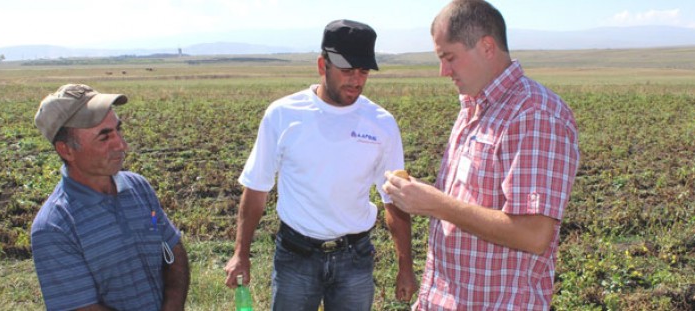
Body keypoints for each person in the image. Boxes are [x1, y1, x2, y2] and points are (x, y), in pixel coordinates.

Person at [383, 1, 580, 310]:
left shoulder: (534, 115)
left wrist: (435, 203)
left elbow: (533, 233)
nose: (443, 71)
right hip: (446, 298)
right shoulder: (474, 107)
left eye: (449, 57)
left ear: (487, 47)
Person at [224, 19, 418, 310]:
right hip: (296, 257)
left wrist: (406, 266)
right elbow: (256, 188)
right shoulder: (283, 114)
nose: (356, 80)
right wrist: (241, 253)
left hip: (355, 258)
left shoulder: (381, 123)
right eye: (347, 70)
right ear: (321, 65)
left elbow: (394, 199)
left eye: (363, 71)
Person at [30, 84, 190, 311]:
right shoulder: (54, 228)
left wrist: (172, 306)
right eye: (104, 138)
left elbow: (170, 248)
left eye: (118, 130)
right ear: (66, 150)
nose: (122, 145)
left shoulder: (139, 188)